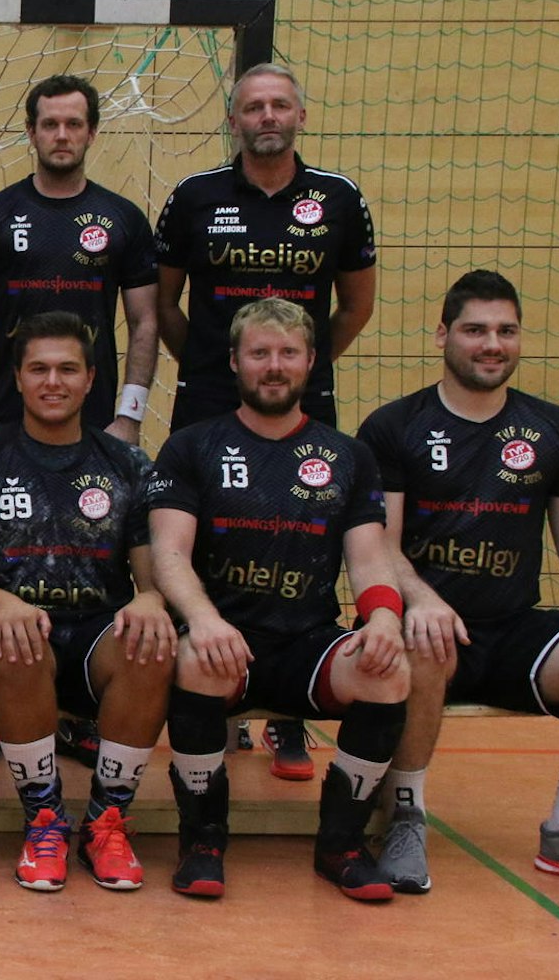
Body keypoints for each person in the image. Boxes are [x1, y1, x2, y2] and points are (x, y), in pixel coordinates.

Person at [358, 270, 559, 899]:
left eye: (506, 331)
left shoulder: (555, 429)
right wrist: (420, 598)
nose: (492, 344)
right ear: (442, 335)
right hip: (426, 631)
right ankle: (405, 818)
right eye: (475, 330)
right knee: (422, 639)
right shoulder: (394, 426)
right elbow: (380, 545)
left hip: (511, 630)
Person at [154, 62, 377, 775]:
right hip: (210, 396)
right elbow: (163, 301)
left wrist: (298, 368)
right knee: (205, 536)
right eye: (254, 107)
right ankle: (216, 689)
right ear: (234, 120)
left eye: (280, 105)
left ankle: (289, 712)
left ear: (300, 116)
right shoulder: (194, 196)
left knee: (301, 531)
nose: (268, 117)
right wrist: (210, 364)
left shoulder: (338, 198)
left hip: (299, 402)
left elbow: (357, 305)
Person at [146, 297, 408, 902]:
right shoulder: (191, 446)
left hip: (308, 641)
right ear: (234, 361)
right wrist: (203, 620)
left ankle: (341, 844)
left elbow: (371, 558)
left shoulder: (348, 456)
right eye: (260, 353)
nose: (274, 366)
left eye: (288, 353)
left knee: (388, 672)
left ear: (311, 361)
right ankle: (203, 839)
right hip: (225, 636)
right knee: (198, 660)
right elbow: (168, 554)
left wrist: (384, 619)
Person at [0, 73, 160, 767]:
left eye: (74, 123)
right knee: (4, 553)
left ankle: (79, 707)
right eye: (50, 123)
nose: (62, 135)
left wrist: (129, 416)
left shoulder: (122, 218)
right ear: (32, 131)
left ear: (91, 131)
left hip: (93, 423)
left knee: (84, 553)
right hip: (6, 419)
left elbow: (144, 320)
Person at [0, 311, 175, 892]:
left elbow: (152, 578)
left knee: (150, 645)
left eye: (68, 369)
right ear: (17, 378)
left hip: (98, 636)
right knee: (15, 641)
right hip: (16, 638)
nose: (53, 382)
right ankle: (43, 819)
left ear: (91, 379)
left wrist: (152, 600)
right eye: (39, 369)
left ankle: (106, 821)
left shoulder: (128, 463)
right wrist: (3, 604)